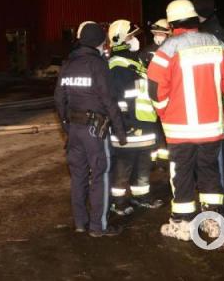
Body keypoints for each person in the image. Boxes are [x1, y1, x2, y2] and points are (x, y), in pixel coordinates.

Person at [147, 0, 224, 241]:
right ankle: (213, 221)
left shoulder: (167, 49)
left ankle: (183, 224)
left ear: (171, 22)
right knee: (209, 172)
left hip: (180, 130)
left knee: (182, 175)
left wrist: (164, 112)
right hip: (212, 128)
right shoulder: (217, 44)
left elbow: (155, 89)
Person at [54, 21, 127, 237]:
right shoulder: (97, 64)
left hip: (74, 128)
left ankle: (80, 222)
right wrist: (121, 132)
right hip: (95, 130)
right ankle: (99, 226)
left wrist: (66, 126)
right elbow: (109, 100)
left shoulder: (67, 64)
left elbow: (59, 99)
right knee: (100, 175)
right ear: (98, 41)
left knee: (77, 176)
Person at [106, 20, 163, 217]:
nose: (136, 40)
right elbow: (118, 101)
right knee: (123, 169)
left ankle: (142, 196)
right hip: (129, 127)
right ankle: (118, 202)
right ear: (121, 40)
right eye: (131, 36)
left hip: (144, 126)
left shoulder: (133, 62)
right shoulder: (118, 66)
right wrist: (125, 125)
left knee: (143, 166)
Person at [141, 18, 171, 163]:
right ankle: (153, 157)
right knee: (153, 126)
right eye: (156, 33)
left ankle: (166, 157)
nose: (158, 36)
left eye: (161, 33)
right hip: (150, 95)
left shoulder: (174, 51)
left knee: (166, 127)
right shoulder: (146, 52)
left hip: (168, 95)